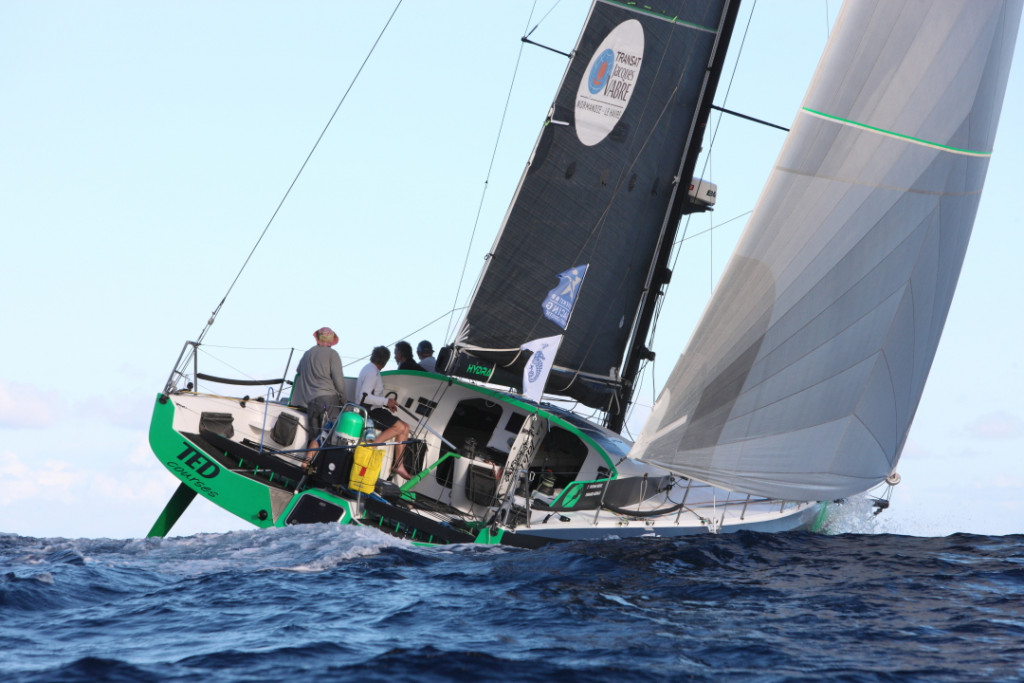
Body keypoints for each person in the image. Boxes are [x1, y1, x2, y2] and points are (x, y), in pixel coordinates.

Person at [356, 346, 413, 480]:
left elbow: (371, 396)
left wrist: (386, 404)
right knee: (400, 427)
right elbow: (364, 397)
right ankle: (372, 446)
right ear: (385, 361)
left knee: (406, 428)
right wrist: (386, 401)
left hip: (375, 409)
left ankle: (398, 465)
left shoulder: (370, 369)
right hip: (369, 411)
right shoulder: (372, 372)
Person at [291, 326, 347, 456]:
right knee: (327, 437)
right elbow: (339, 382)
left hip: (311, 402)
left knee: (314, 436)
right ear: (332, 341)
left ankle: (307, 464)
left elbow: (299, 370)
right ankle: (310, 464)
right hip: (328, 400)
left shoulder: (307, 354)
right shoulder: (333, 354)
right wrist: (344, 401)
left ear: (317, 339)